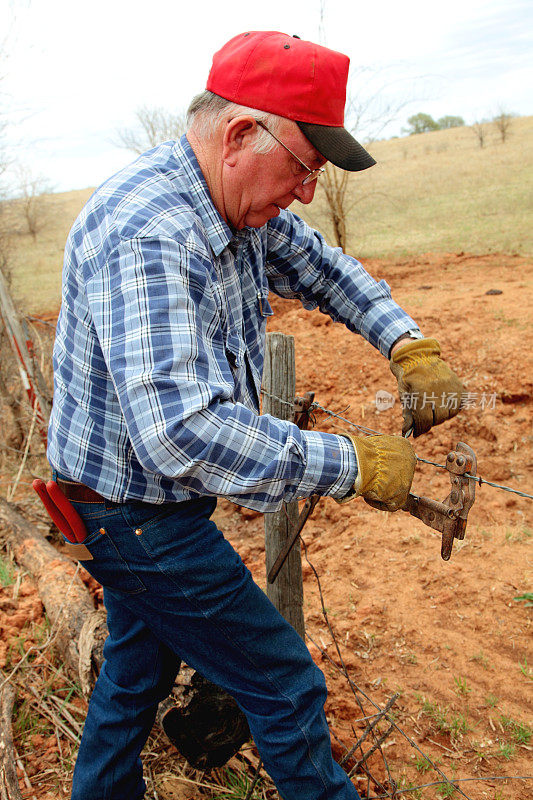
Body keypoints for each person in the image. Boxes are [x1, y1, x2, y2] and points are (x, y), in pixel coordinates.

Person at [47, 31, 464, 800]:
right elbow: (184, 432)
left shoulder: (233, 204)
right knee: (285, 687)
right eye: (304, 167)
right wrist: (355, 463)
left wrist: (407, 344)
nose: (307, 192)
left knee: (135, 679)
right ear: (241, 134)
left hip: (135, 504)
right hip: (133, 518)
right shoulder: (151, 233)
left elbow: (320, 267)